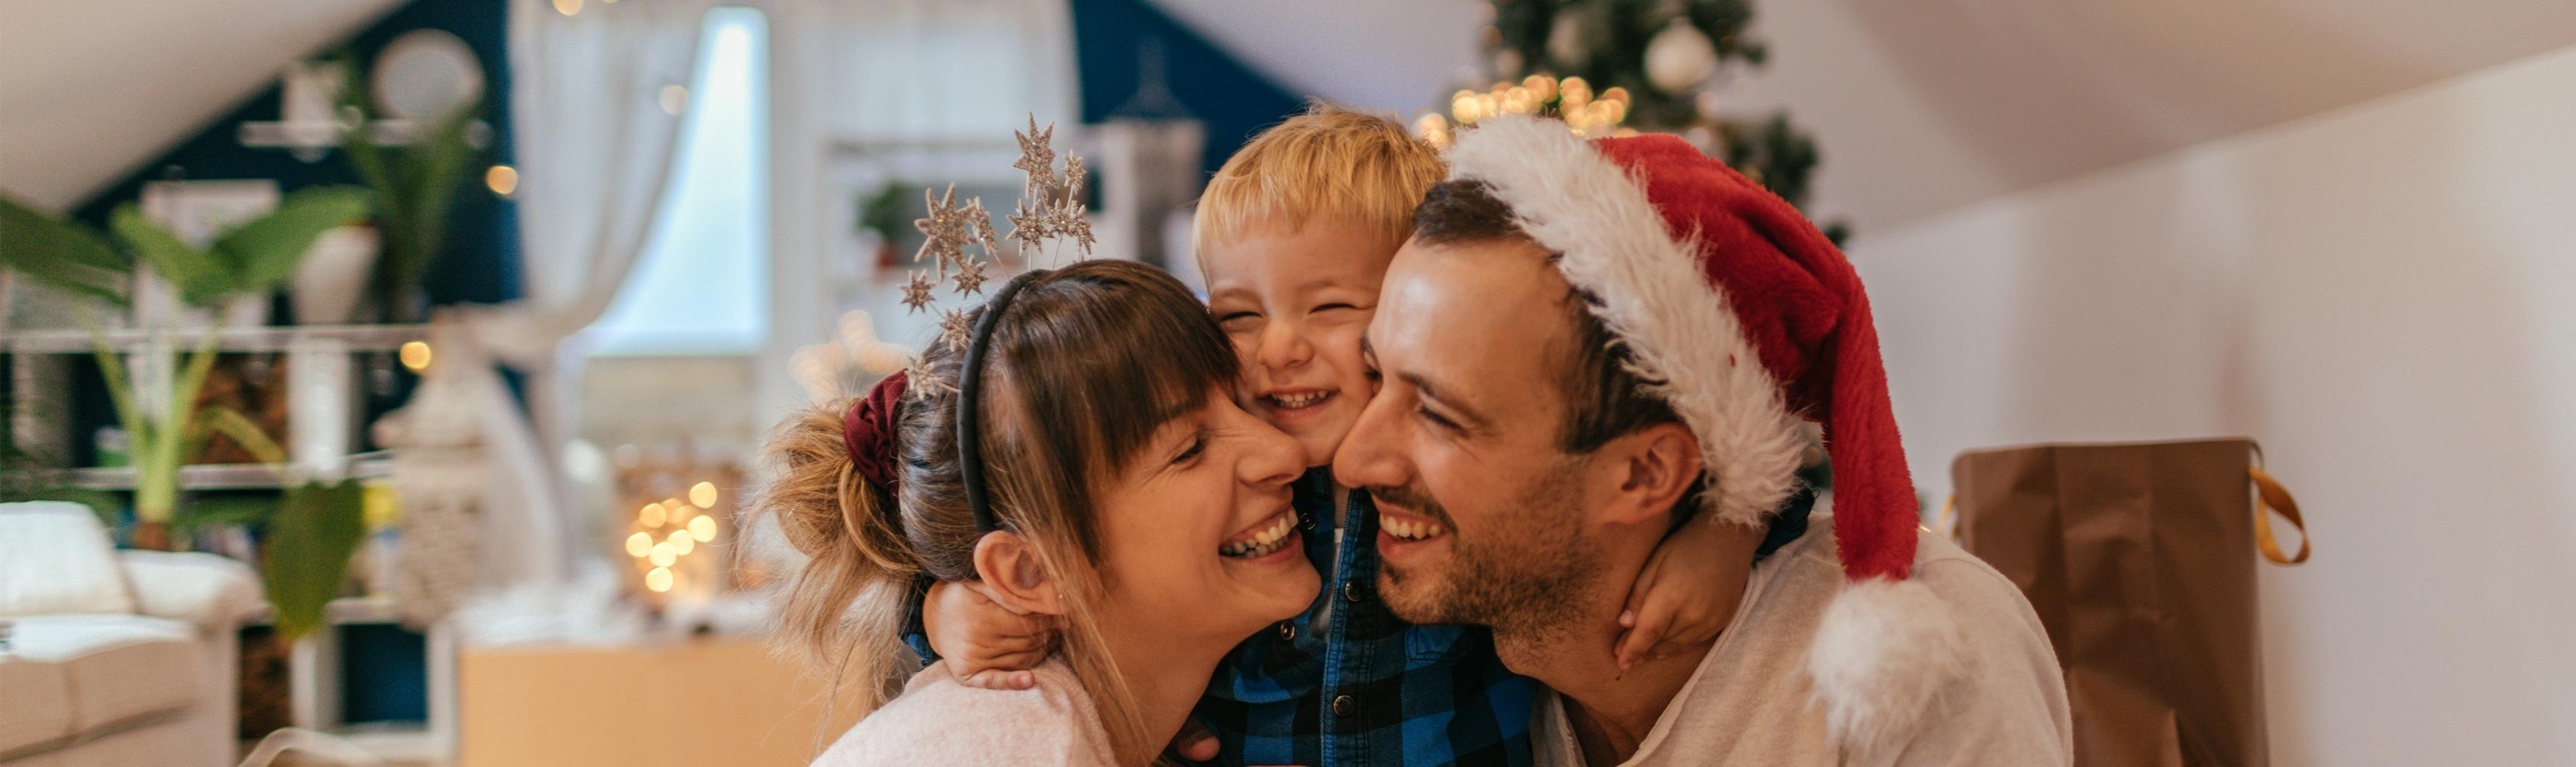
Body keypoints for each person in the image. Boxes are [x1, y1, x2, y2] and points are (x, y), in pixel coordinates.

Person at [917, 105, 1800, 766]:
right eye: (1236, 315)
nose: (1277, 349)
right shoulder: (1239, 508)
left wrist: (1723, 533)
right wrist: (942, 610)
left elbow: (1754, 469)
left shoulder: (1471, 489)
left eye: (1332, 307)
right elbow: (1050, 562)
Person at [1332, 114, 2072, 765]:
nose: (1354, 459)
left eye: (1437, 414)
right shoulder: (1443, 666)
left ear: (1647, 473)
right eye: (1375, 377)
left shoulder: (1923, 664)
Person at [760, 259, 1320, 766]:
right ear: (1030, 572)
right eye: (1190, 449)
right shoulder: (1024, 748)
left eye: (1245, 404)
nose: (1287, 454)